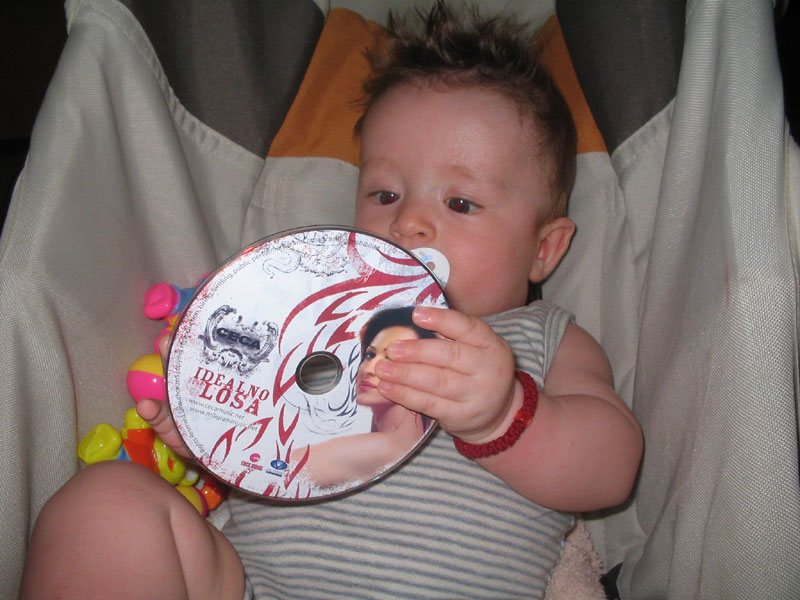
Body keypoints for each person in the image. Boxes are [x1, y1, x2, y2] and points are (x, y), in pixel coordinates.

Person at [20, 2, 643, 598]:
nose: (409, 223)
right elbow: (261, 433)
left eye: (460, 202)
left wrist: (503, 415)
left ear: (543, 249)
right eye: (385, 195)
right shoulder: (311, 317)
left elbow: (611, 468)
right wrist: (209, 426)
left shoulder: (541, 339)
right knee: (104, 503)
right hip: (256, 585)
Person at [291, 306, 436, 490]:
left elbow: (272, 473)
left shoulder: (383, 447)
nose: (368, 369)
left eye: (392, 359)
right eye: (370, 355)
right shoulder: (400, 444)